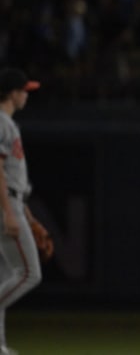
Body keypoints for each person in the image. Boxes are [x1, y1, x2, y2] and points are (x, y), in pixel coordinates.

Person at [0, 68, 46, 355]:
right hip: (4, 203)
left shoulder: (7, 123)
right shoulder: (1, 123)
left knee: (5, 273)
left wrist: (28, 216)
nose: (27, 95)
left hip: (12, 201)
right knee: (30, 274)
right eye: (24, 90)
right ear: (12, 92)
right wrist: (8, 212)